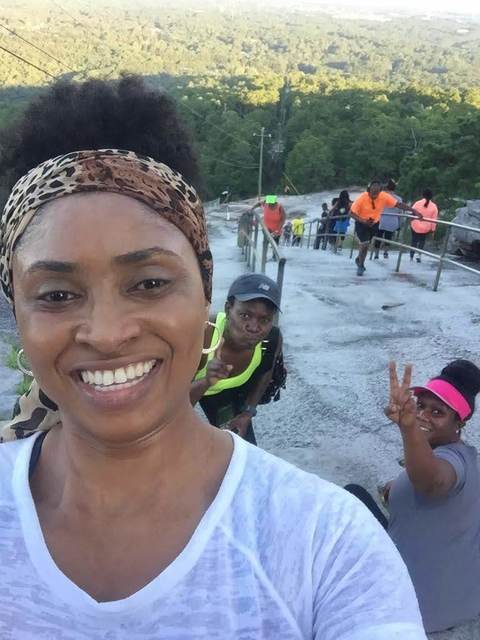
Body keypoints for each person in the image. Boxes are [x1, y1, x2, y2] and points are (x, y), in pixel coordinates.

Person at [0, 77, 428, 639]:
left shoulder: (327, 546)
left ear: (204, 292)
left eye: (149, 283)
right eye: (57, 294)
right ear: (17, 312)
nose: (106, 335)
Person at [346, 360, 480, 633]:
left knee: (351, 497)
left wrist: (408, 427)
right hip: (459, 601)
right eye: (420, 406)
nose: (423, 415)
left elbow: (433, 482)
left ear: (460, 421)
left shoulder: (453, 464)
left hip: (413, 608)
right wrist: (396, 487)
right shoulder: (468, 456)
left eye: (437, 412)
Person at [191, 274, 284, 446]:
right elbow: (171, 407)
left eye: (264, 319)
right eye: (245, 315)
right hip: (189, 390)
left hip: (227, 395)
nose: (254, 327)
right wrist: (206, 382)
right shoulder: (201, 335)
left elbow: (266, 373)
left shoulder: (271, 339)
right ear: (228, 309)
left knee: (240, 446)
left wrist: (248, 413)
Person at [350, 180, 414, 276]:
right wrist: (363, 221)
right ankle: (361, 265)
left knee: (367, 244)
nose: (375, 193)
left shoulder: (384, 196)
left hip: (375, 223)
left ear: (380, 190)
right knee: (365, 243)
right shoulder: (362, 197)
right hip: (362, 223)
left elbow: (399, 205)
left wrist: (414, 211)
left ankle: (360, 258)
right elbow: (351, 213)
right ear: (369, 189)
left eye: (377, 190)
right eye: (373, 190)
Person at [374, 179, 402, 259]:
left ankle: (376, 254)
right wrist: (399, 224)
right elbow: (400, 212)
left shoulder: (380, 197)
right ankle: (386, 253)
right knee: (388, 237)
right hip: (392, 221)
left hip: (381, 220)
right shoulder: (399, 199)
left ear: (386, 187)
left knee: (378, 236)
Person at [410, 189, 438, 263]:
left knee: (414, 240)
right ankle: (418, 255)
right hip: (426, 227)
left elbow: (412, 212)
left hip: (415, 225)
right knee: (422, 241)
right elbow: (434, 220)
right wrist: (433, 230)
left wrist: (411, 221)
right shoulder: (434, 206)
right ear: (431, 196)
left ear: (423, 195)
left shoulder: (417, 203)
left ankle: (411, 255)